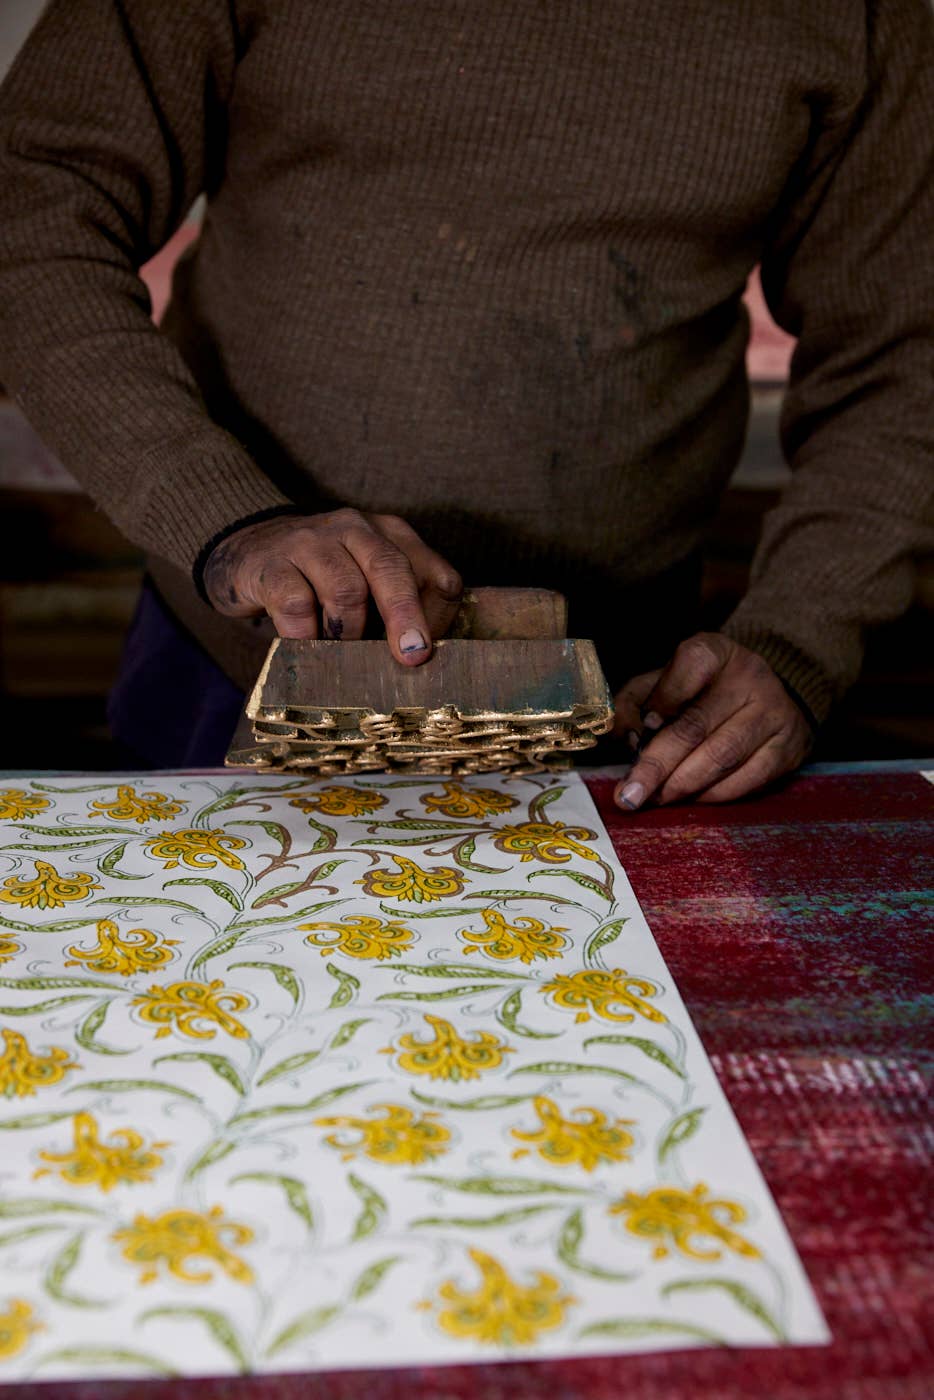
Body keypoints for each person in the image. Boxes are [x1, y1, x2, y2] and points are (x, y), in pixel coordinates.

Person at [0, 0, 931, 805]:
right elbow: (31, 210)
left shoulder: (857, 17)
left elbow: (902, 352)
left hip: (632, 705)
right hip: (234, 666)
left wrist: (796, 645)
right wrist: (224, 519)